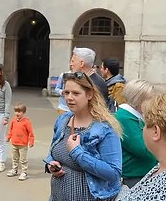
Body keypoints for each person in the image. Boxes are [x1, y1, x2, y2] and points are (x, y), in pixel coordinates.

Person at [45, 71, 123, 201]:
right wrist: (50, 165)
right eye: (66, 92)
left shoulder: (104, 128)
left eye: (76, 93)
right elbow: (53, 152)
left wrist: (77, 153)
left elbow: (114, 173)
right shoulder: (63, 121)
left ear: (89, 94)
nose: (69, 97)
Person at [114, 79, 157, 188]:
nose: (153, 102)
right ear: (139, 99)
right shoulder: (124, 118)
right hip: (134, 177)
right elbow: (145, 150)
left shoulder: (134, 116)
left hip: (142, 174)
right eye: (150, 98)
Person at [6, 103, 34, 181]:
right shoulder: (13, 120)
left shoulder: (26, 122)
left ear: (23, 112)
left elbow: (30, 132)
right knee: (14, 158)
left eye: (19, 112)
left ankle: (24, 172)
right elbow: (11, 130)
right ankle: (14, 170)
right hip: (14, 143)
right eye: (16, 111)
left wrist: (31, 141)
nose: (17, 113)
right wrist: (8, 137)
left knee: (23, 159)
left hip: (23, 144)